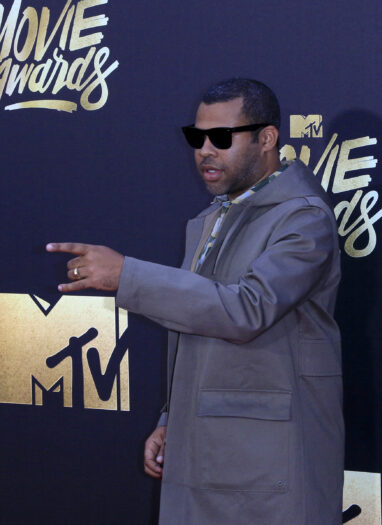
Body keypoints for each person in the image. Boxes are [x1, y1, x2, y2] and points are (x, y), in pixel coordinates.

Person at [48, 78, 344, 524]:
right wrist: (172, 417)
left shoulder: (304, 219)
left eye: (221, 138)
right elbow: (197, 324)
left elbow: (246, 309)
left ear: (267, 138)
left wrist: (127, 274)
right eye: (197, 137)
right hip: (204, 453)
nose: (205, 149)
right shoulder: (211, 218)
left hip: (268, 467)